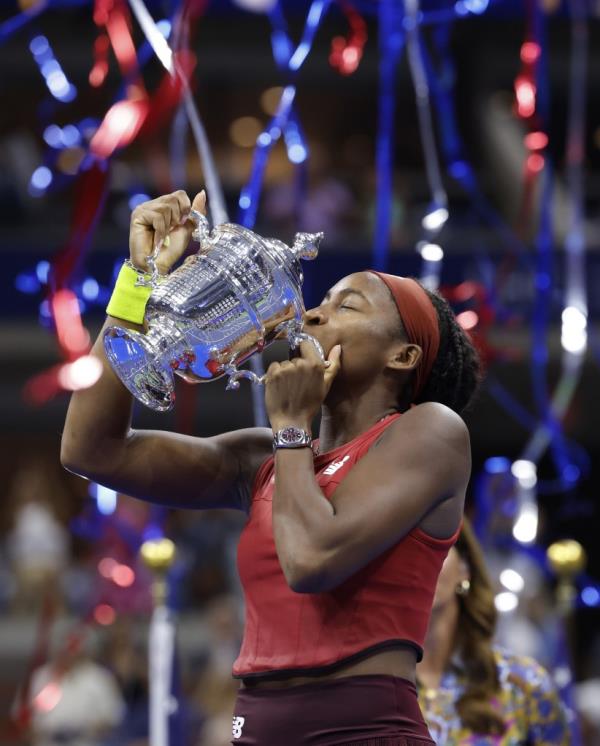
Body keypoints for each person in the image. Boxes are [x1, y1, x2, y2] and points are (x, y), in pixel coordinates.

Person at [61, 189, 481, 745]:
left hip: (363, 731)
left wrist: (290, 424)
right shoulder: (265, 457)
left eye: (346, 306)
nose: (310, 312)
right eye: (322, 299)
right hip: (251, 726)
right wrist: (139, 282)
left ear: (401, 356)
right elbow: (90, 450)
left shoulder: (432, 431)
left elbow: (311, 562)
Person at [418, 518, 571, 744]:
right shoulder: (370, 689)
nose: (418, 565)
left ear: (465, 568)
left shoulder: (523, 683)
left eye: (434, 546)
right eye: (405, 554)